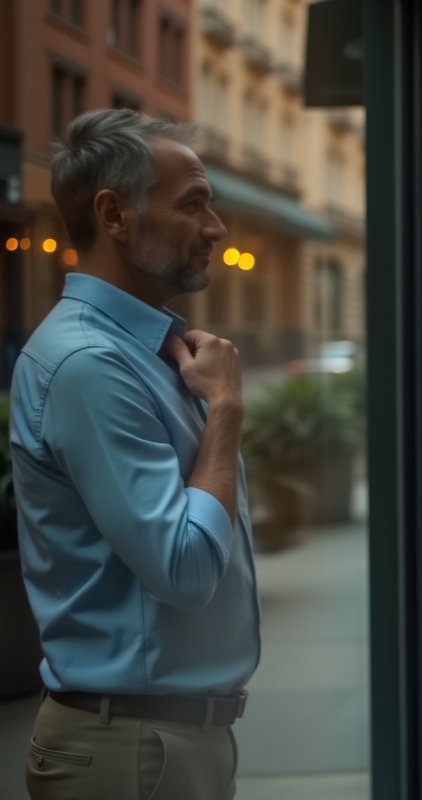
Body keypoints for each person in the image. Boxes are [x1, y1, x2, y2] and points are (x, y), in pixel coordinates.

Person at [8, 109, 257, 800]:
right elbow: (183, 568)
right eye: (193, 205)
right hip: (133, 754)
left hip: (165, 742)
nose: (217, 229)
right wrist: (226, 414)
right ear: (114, 215)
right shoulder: (89, 364)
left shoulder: (143, 353)